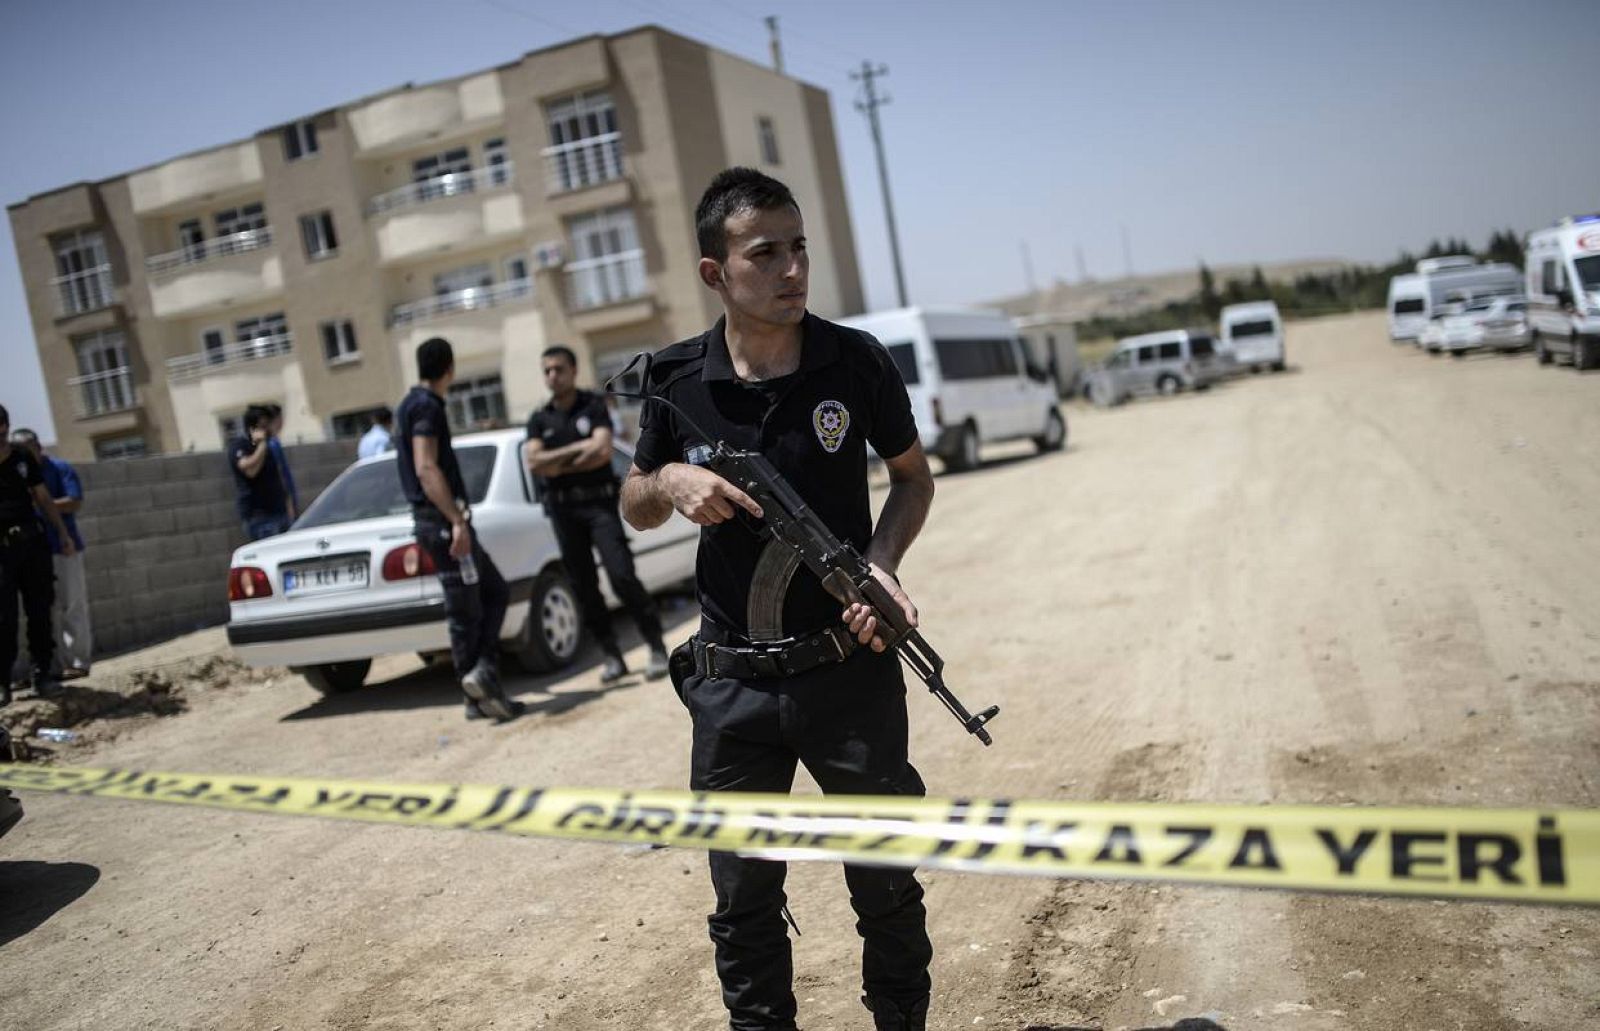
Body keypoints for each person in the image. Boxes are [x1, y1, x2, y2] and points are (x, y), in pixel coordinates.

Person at [620, 168, 938, 1031]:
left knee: (887, 883)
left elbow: (912, 479)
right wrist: (672, 478)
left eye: (800, 247)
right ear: (715, 272)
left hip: (850, 668)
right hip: (732, 685)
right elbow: (634, 503)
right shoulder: (675, 382)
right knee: (744, 899)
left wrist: (881, 562)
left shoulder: (855, 360)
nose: (793, 268)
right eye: (766, 252)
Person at [524, 346, 670, 684]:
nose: (552, 376)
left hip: (598, 505)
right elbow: (533, 461)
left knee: (621, 575)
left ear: (574, 370)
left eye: (558, 369)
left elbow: (602, 450)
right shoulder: (539, 417)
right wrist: (578, 450)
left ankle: (655, 646)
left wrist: (555, 460)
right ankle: (612, 655)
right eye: (547, 371)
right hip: (563, 511)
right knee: (584, 586)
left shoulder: (592, 405)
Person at [396, 338, 523, 723]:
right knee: (469, 608)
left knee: (484, 597)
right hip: (441, 523)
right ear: (449, 368)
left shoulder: (408, 404)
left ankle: (478, 683)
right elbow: (425, 467)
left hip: (437, 521)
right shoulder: (425, 406)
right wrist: (455, 520)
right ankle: (478, 680)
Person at [0, 405, 78, 704]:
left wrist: (62, 533)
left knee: (40, 612)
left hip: (31, 544)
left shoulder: (22, 457)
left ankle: (42, 674)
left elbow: (42, 498)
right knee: (3, 619)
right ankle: (3, 682)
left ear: (6, 427)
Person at [11, 429, 90, 679]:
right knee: (44, 610)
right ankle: (51, 667)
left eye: (28, 448)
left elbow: (74, 501)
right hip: (34, 550)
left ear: (38, 447)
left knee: (72, 605)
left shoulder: (59, 468)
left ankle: (77, 661)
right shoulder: (17, 470)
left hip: (64, 547)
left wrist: (41, 503)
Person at [228, 405, 293, 540]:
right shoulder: (240, 445)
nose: (267, 430)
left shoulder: (270, 447)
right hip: (259, 515)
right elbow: (250, 470)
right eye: (263, 426)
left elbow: (280, 476)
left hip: (278, 510)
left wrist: (288, 504)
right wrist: (262, 445)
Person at [264, 403, 300, 519]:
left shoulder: (272, 443)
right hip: (282, 506)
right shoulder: (272, 444)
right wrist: (288, 502)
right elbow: (279, 474)